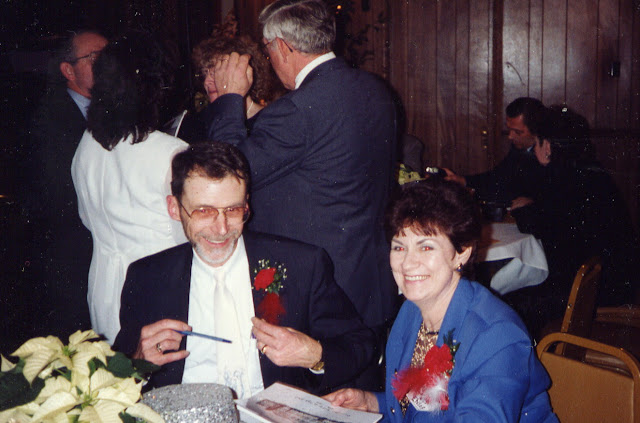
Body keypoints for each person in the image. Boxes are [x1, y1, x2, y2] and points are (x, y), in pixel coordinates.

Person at [202, 0, 399, 348]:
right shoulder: (375, 89)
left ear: (281, 46)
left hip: (322, 291)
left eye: (267, 49)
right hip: (368, 279)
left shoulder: (297, 109)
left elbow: (225, 173)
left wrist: (230, 98)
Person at [113, 142, 378, 398]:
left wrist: (315, 355)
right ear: (174, 208)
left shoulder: (302, 265)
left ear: (247, 205)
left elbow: (361, 345)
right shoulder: (147, 277)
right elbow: (116, 375)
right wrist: (137, 361)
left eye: (233, 209)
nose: (221, 229)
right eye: (204, 211)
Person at [325, 179, 558, 422]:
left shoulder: (497, 335)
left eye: (426, 248)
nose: (407, 263)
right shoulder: (411, 311)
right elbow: (418, 408)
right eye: (399, 247)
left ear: (462, 252)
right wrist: (371, 403)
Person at [71, 31, 188, 344]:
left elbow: (86, 218)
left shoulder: (87, 144)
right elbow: (189, 233)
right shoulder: (172, 153)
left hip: (104, 286)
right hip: (157, 290)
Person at [507, 107, 639, 333]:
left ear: (548, 146)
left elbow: (537, 223)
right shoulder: (587, 172)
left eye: (537, 142)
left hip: (594, 294)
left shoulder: (565, 178)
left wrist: (523, 210)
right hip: (613, 284)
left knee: (507, 304)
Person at [25, 29, 108, 338]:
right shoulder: (49, 119)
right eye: (95, 57)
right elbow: (58, 197)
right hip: (71, 257)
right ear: (68, 71)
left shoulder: (114, 109)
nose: (107, 64)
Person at [169, 34, 284, 143]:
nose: (207, 82)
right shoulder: (196, 123)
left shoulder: (272, 122)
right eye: (204, 74)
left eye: (215, 73)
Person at [445, 97, 547, 208]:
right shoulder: (518, 148)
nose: (510, 136)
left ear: (536, 131)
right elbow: (496, 177)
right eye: (509, 129)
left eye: (518, 132)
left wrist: (534, 202)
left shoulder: (551, 156)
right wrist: (463, 181)